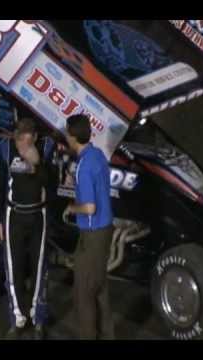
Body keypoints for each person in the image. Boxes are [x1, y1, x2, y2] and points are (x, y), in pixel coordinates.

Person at [0, 117, 54, 340]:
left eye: (27, 143)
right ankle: (17, 318)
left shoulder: (46, 148)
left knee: (39, 269)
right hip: (13, 215)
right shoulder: (6, 149)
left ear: (35, 138)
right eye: (19, 142)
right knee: (13, 268)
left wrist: (36, 166)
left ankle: (38, 319)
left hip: (39, 214)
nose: (22, 147)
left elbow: (52, 184)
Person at [63, 114, 115, 340]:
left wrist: (72, 209)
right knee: (100, 289)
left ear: (73, 137)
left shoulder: (83, 166)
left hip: (92, 234)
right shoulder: (98, 155)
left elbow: (90, 208)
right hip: (105, 231)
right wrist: (74, 183)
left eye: (67, 134)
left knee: (83, 294)